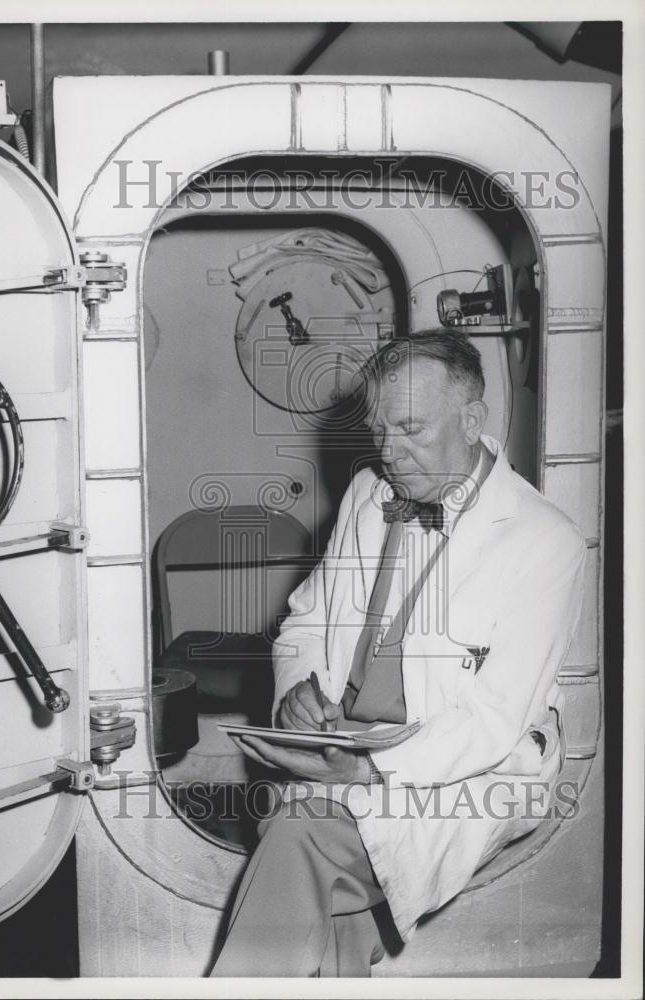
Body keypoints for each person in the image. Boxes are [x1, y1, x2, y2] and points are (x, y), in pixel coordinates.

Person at [210, 329, 586, 977]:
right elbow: (303, 623)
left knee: (298, 829)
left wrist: (366, 774)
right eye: (378, 430)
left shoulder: (545, 540)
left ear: (471, 421)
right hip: (345, 740)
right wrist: (300, 691)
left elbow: (493, 723)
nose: (389, 452)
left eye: (409, 428)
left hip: (468, 768)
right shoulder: (367, 493)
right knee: (324, 894)